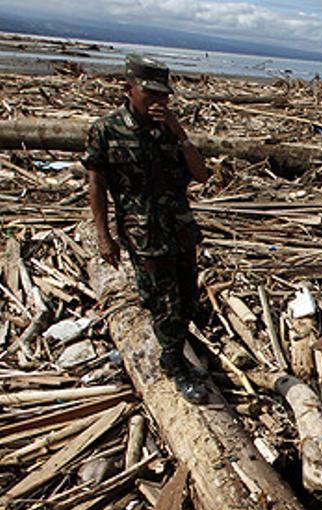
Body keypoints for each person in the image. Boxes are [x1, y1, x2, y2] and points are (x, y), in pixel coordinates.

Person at [84, 54, 211, 403]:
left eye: (164, 96)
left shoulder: (168, 130)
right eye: (150, 94)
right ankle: (174, 365)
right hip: (143, 233)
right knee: (163, 302)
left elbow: (201, 175)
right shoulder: (107, 130)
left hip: (180, 229)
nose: (159, 102)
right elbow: (96, 184)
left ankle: (173, 348)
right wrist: (103, 235)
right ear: (129, 90)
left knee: (187, 298)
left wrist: (179, 133)